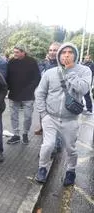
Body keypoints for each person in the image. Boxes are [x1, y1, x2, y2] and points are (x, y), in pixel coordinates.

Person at [34, 42, 92, 186]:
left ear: (75, 55)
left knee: (71, 148)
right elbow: (40, 93)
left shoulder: (84, 71)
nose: (66, 55)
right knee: (48, 145)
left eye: (70, 52)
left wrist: (70, 71)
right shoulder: (49, 73)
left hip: (70, 119)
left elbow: (84, 89)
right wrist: (44, 114)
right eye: (63, 52)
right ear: (59, 55)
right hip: (50, 118)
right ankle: (42, 168)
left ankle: (71, 171)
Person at [6, 43, 41, 144]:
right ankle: (16, 135)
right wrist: (8, 88)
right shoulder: (11, 62)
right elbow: (8, 76)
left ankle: (25, 133)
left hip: (28, 95)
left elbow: (37, 77)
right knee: (13, 116)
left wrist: (31, 88)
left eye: (17, 52)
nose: (15, 54)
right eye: (14, 52)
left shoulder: (32, 62)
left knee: (28, 116)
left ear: (23, 52)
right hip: (14, 93)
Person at [35, 42, 61, 135]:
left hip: (56, 94)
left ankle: (54, 132)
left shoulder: (62, 64)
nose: (52, 52)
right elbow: (38, 74)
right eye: (50, 50)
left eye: (55, 50)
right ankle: (42, 127)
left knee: (54, 114)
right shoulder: (44, 62)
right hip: (44, 92)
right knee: (42, 110)